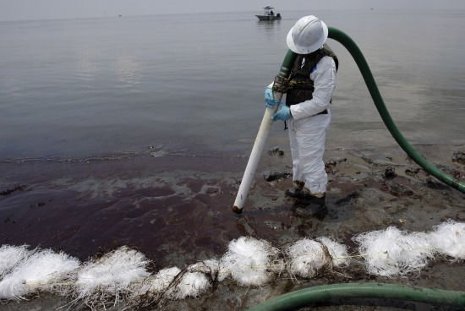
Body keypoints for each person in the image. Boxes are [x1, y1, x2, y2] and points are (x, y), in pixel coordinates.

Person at [264, 15, 338, 218]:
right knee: (297, 157)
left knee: (311, 160)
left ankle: (318, 198)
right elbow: (285, 77)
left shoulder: (325, 63)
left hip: (313, 120)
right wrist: (271, 89)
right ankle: (300, 187)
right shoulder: (297, 54)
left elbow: (321, 101)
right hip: (295, 118)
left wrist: (291, 111)